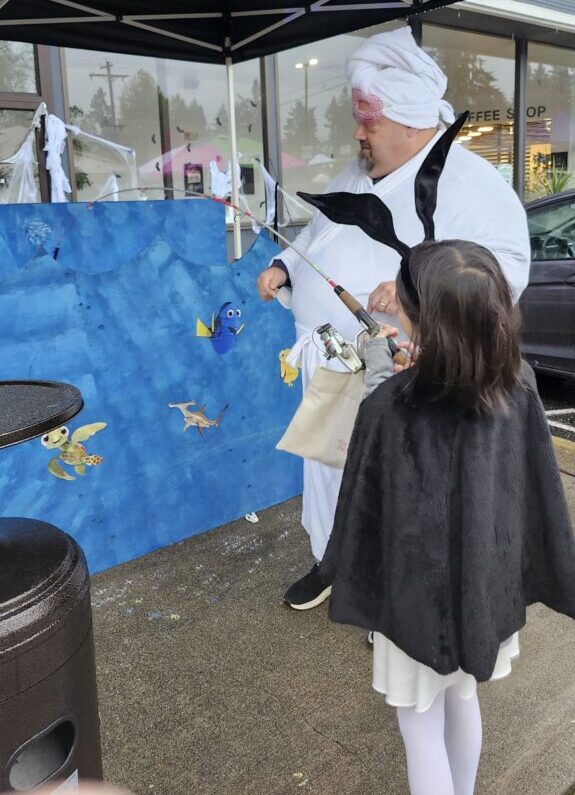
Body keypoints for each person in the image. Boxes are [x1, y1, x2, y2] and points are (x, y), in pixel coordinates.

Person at [256, 25, 530, 610]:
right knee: (330, 467)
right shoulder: (355, 174)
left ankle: (397, 594)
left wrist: (418, 291)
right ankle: (333, 558)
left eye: (369, 123)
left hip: (403, 371)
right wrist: (284, 265)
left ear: (409, 122)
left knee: (399, 479)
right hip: (330, 365)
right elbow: (317, 236)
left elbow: (502, 272)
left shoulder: (472, 183)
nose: (358, 133)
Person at [319, 239, 575, 795]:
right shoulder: (518, 384)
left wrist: (382, 371)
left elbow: (366, 493)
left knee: (419, 724)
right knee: (463, 696)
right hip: (485, 582)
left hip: (415, 597)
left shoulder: (393, 406)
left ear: (419, 320)